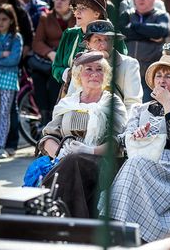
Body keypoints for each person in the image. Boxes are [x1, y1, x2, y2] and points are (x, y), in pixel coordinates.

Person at [106, 55, 170, 242]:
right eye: (159, 76)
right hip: (141, 159)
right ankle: (120, 228)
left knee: (135, 165)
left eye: (168, 76)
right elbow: (126, 141)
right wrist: (137, 136)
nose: (162, 80)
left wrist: (167, 105)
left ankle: (116, 225)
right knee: (134, 163)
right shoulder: (140, 110)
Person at [38, 51, 127, 218]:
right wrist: (60, 153)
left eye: (99, 69)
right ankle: (71, 222)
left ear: (105, 75)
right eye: (88, 69)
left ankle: (44, 213)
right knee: (71, 162)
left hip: (101, 161)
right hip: (64, 160)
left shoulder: (112, 103)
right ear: (79, 75)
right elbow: (49, 136)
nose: (94, 73)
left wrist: (87, 150)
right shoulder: (67, 103)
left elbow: (117, 142)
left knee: (74, 161)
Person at [0, 0, 34, 157]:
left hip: (10, 76)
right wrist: (2, 54)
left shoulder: (19, 13)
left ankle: (6, 145)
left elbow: (15, 56)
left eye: (4, 19)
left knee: (6, 111)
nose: (0, 22)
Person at [68, 20, 143, 113]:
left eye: (108, 39)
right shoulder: (80, 64)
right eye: (98, 40)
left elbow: (133, 103)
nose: (104, 45)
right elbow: (70, 97)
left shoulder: (129, 64)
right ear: (88, 44)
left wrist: (124, 125)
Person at [51, 0, 127, 85]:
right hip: (70, 94)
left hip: (103, 93)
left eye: (82, 8)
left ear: (97, 13)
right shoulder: (69, 34)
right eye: (76, 8)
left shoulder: (112, 36)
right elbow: (56, 67)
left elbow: (122, 68)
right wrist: (69, 74)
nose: (77, 12)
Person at [31, 0, 75, 126]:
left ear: (70, 3)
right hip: (49, 59)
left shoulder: (76, 18)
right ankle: (45, 117)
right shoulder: (46, 17)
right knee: (37, 77)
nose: (58, 2)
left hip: (67, 61)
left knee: (55, 78)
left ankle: (54, 115)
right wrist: (49, 53)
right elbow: (37, 42)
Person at [119, 0, 170, 102]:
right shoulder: (127, 14)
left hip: (150, 76)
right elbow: (122, 32)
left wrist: (134, 26)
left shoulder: (161, 15)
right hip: (127, 74)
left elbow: (161, 31)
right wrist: (149, 35)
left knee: (148, 110)